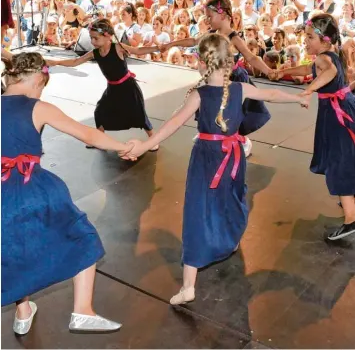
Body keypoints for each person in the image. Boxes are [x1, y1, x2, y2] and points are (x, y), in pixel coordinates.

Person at [123, 33, 309, 305]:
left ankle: (190, 284)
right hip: (232, 158)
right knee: (230, 201)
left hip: (208, 160)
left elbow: (172, 124)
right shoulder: (238, 89)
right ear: (231, 64)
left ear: (201, 63)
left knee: (199, 211)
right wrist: (297, 98)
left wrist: (144, 145)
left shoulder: (199, 95)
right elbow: (271, 93)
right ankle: (223, 246)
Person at [1, 52, 133, 334]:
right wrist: (122, 147)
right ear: (38, 79)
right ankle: (83, 310)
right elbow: (88, 135)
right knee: (81, 236)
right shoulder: (37, 107)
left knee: (14, 252)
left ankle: (23, 312)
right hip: (31, 189)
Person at [156, 0, 273, 156]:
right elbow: (193, 41)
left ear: (223, 15)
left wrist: (269, 71)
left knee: (231, 113)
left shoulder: (234, 37)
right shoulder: (211, 33)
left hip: (233, 79)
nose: (207, 20)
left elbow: (251, 57)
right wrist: (172, 44)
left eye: (210, 17)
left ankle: (241, 140)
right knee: (210, 107)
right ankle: (209, 131)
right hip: (214, 79)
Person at [272, 14, 355, 240]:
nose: (305, 42)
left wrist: (309, 90)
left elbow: (330, 73)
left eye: (309, 37)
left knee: (339, 160)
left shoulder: (325, 59)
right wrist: (284, 71)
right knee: (345, 155)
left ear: (325, 40)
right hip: (342, 108)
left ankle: (351, 218)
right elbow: (309, 68)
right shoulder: (327, 54)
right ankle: (350, 198)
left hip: (337, 115)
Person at [48, 19, 158, 150]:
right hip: (112, 88)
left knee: (138, 113)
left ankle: (153, 139)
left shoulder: (117, 47)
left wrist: (158, 47)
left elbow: (138, 51)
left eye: (95, 38)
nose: (92, 42)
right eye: (91, 38)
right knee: (100, 111)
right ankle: (99, 138)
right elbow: (75, 61)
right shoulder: (95, 53)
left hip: (128, 87)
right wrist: (55, 62)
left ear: (107, 36)